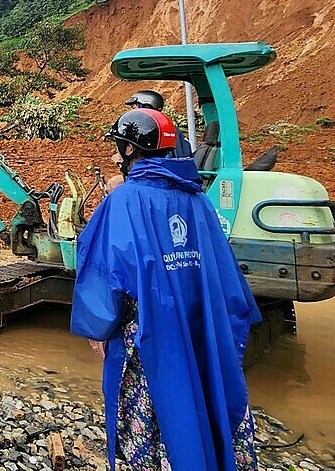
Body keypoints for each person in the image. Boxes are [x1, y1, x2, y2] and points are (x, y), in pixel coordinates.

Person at [71, 109, 260, 471]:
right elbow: (223, 275)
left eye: (119, 147)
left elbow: (105, 271)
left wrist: (97, 328)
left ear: (130, 151)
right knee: (202, 396)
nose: (116, 155)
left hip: (149, 337)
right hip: (197, 325)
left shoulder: (123, 201)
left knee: (154, 413)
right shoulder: (198, 199)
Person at [106, 89, 194, 193]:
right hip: (169, 178)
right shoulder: (167, 127)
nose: (131, 112)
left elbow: (157, 164)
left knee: (114, 184)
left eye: (133, 108)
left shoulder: (155, 132)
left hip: (161, 181)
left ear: (146, 107)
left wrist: (125, 159)